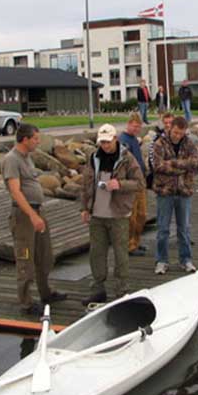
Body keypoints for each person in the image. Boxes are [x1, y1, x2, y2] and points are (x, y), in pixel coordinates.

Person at [1, 123, 67, 316]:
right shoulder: (12, 160)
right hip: (24, 216)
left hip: (37, 211)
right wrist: (32, 215)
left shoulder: (27, 158)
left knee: (45, 255)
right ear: (25, 139)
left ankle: (46, 293)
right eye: (35, 139)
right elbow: (15, 191)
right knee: (25, 259)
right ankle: (26, 302)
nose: (38, 142)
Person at [80, 124, 144, 305]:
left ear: (115, 139)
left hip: (118, 215)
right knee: (96, 253)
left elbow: (140, 183)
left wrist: (120, 184)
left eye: (108, 142)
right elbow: (86, 184)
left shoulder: (127, 158)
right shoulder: (93, 157)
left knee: (120, 254)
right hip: (97, 215)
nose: (105, 145)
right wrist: (84, 208)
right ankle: (98, 290)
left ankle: (122, 290)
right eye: (102, 142)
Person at [152, 116, 198, 274]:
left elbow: (195, 163)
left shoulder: (189, 143)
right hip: (164, 191)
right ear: (170, 128)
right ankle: (161, 261)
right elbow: (157, 166)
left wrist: (172, 164)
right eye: (175, 132)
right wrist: (182, 166)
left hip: (184, 191)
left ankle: (186, 260)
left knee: (184, 229)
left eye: (181, 133)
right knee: (163, 229)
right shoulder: (159, 143)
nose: (177, 135)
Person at [118, 113, 148, 256]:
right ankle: (130, 245)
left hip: (140, 182)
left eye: (139, 127)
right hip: (131, 184)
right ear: (129, 124)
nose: (137, 129)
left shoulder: (134, 140)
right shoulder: (123, 141)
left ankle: (136, 241)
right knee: (131, 217)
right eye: (135, 126)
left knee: (142, 215)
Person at [146, 112, 174, 190]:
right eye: (166, 123)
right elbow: (151, 161)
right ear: (163, 123)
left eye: (170, 123)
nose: (168, 125)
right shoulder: (156, 139)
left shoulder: (181, 138)